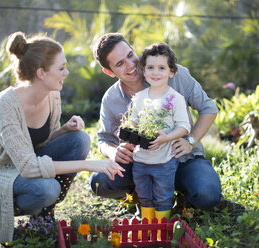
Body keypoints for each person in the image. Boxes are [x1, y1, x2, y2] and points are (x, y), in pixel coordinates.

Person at [0, 31, 124, 244]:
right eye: (61, 68)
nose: (67, 72)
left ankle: (44, 213)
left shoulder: (52, 94)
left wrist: (64, 130)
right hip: (3, 175)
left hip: (32, 163)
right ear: (41, 73)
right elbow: (28, 166)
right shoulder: (5, 105)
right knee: (49, 188)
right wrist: (90, 165)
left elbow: (44, 143)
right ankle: (33, 204)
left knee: (79, 139)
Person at [90, 32, 222, 212]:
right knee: (100, 182)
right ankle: (142, 197)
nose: (130, 66)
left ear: (133, 50)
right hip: (140, 165)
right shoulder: (111, 99)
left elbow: (209, 108)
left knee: (207, 194)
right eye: (120, 64)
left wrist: (191, 140)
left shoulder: (174, 74)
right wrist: (113, 152)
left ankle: (181, 199)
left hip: (182, 159)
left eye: (130, 55)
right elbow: (104, 140)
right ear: (109, 71)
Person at [128, 43, 191, 222]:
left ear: (172, 72)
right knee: (144, 195)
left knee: (163, 196)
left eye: (162, 68)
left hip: (164, 160)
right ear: (143, 70)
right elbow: (133, 122)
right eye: (150, 67)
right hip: (141, 159)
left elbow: (184, 126)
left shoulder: (175, 98)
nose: (155, 73)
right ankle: (147, 227)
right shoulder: (139, 97)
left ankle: (160, 232)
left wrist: (166, 138)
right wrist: (128, 130)